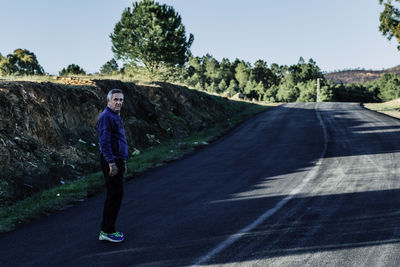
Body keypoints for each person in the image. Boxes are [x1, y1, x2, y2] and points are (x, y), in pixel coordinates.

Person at [97, 88, 128, 243]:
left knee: (116, 195)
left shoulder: (115, 115)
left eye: (121, 100)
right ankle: (107, 231)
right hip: (111, 161)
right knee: (114, 196)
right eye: (115, 99)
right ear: (108, 101)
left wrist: (123, 162)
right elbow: (104, 142)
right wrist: (111, 163)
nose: (118, 102)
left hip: (118, 160)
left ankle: (107, 229)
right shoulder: (106, 117)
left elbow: (118, 140)